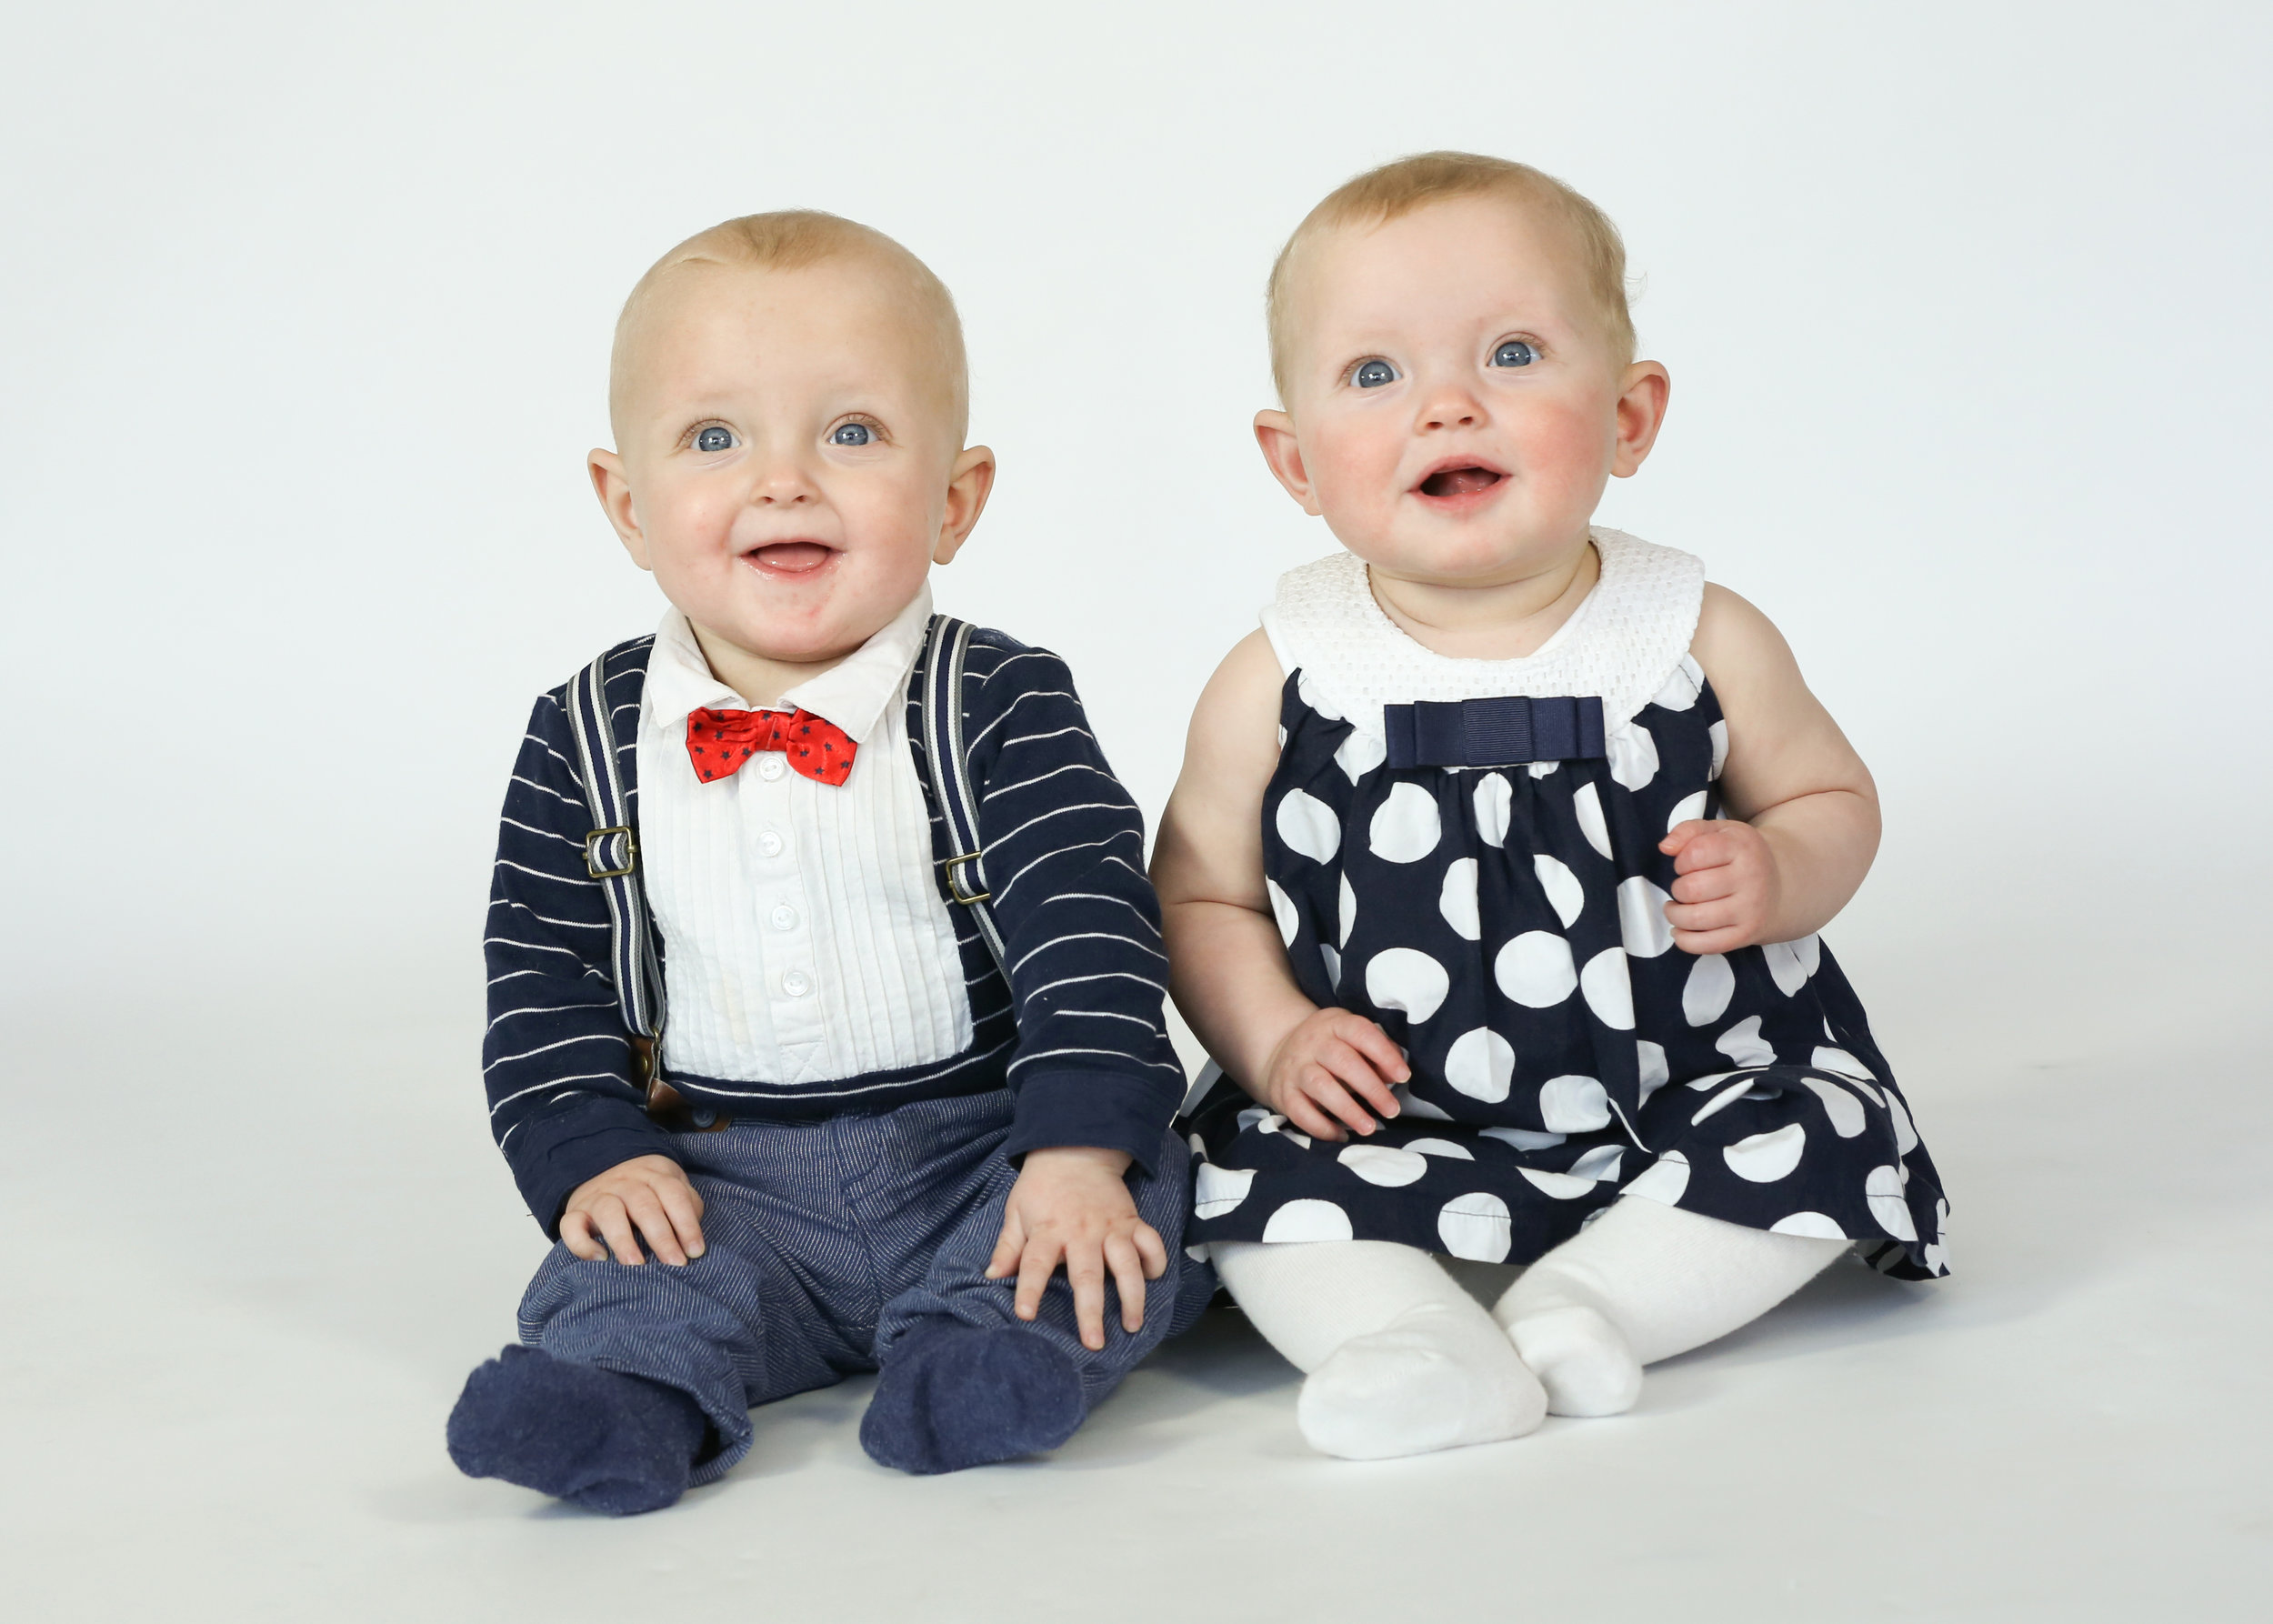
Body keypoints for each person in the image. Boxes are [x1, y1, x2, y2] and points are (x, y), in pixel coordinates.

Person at [1152, 152, 1948, 1461]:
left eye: (1514, 353)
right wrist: (1276, 1035)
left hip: (1685, 1084)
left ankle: (1590, 1305)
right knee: (1242, 1175)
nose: (1448, 404)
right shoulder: (1281, 670)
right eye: (1375, 374)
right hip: (1390, 1108)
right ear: (1293, 460)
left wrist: (1780, 861)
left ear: (1630, 416)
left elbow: (1830, 792)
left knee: (1828, 1125)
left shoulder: (1695, 631)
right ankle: (1409, 1340)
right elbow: (1202, 892)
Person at [447, 210, 1200, 1513]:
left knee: (1133, 1212)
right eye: (715, 437)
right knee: (637, 1267)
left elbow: (1091, 932)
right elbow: (542, 976)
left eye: (851, 434)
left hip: (988, 1152)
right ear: (627, 505)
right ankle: (624, 1394)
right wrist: (590, 1155)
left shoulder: (999, 698)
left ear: (955, 499)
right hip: (726, 1177)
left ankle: (989, 1345)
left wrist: (1075, 1148)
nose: (783, 480)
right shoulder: (583, 735)